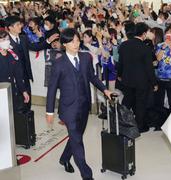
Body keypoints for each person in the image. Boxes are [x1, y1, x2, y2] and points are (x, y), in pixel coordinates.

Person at [46, 28, 112, 180]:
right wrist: (49, 111)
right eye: (71, 41)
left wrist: (105, 90)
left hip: (84, 105)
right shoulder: (58, 63)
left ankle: (64, 159)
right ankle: (86, 175)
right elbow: (52, 89)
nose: (76, 44)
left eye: (77, 40)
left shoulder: (85, 58)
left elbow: (92, 77)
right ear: (64, 44)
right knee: (77, 141)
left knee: (76, 137)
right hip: (68, 108)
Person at [5, 15, 59, 110]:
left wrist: (48, 41)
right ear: (10, 27)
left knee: (27, 103)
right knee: (15, 104)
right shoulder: (4, 41)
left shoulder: (23, 38)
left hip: (25, 76)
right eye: (17, 25)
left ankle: (26, 120)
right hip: (12, 78)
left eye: (20, 24)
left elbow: (35, 47)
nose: (21, 26)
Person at [117, 22, 157, 133]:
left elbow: (120, 63)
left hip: (127, 79)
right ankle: (140, 126)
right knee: (140, 104)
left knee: (127, 102)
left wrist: (119, 75)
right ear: (144, 34)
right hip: (142, 81)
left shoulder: (124, 45)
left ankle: (120, 123)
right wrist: (154, 83)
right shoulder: (145, 48)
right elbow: (149, 68)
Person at [0, 29, 29, 110]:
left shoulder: (13, 54)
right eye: (3, 39)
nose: (6, 41)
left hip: (12, 91)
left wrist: (23, 91)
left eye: (7, 39)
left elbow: (18, 75)